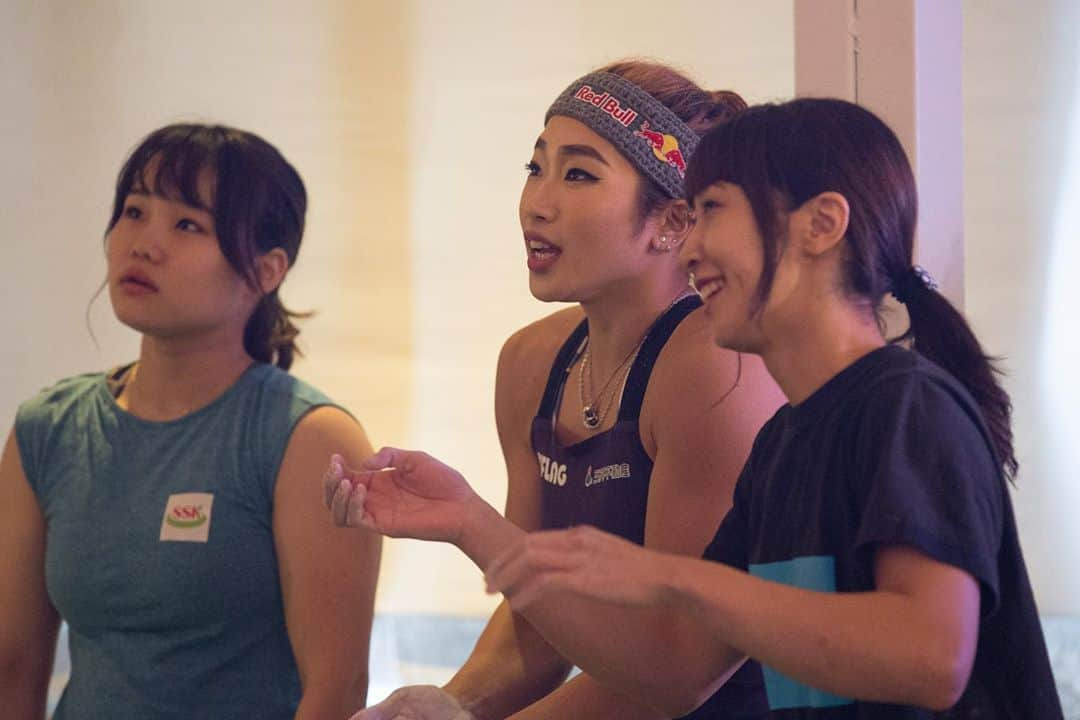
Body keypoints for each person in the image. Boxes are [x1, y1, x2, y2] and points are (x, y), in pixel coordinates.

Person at [472, 99, 1063, 718]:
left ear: (820, 225)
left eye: (713, 211)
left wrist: (669, 576)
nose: (691, 246)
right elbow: (674, 675)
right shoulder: (782, 443)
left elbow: (932, 655)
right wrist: (469, 525)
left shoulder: (906, 406)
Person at [328, 62, 785, 719]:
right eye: (534, 167)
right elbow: (540, 628)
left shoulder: (716, 369)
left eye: (578, 174)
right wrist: (445, 704)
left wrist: (472, 523)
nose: (537, 203)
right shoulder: (531, 361)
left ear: (673, 221)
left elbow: (675, 673)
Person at [0, 123, 382, 719]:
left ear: (266, 270)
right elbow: (13, 666)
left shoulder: (309, 439)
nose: (144, 243)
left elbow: (333, 694)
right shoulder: (46, 430)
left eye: (187, 225)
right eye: (133, 212)